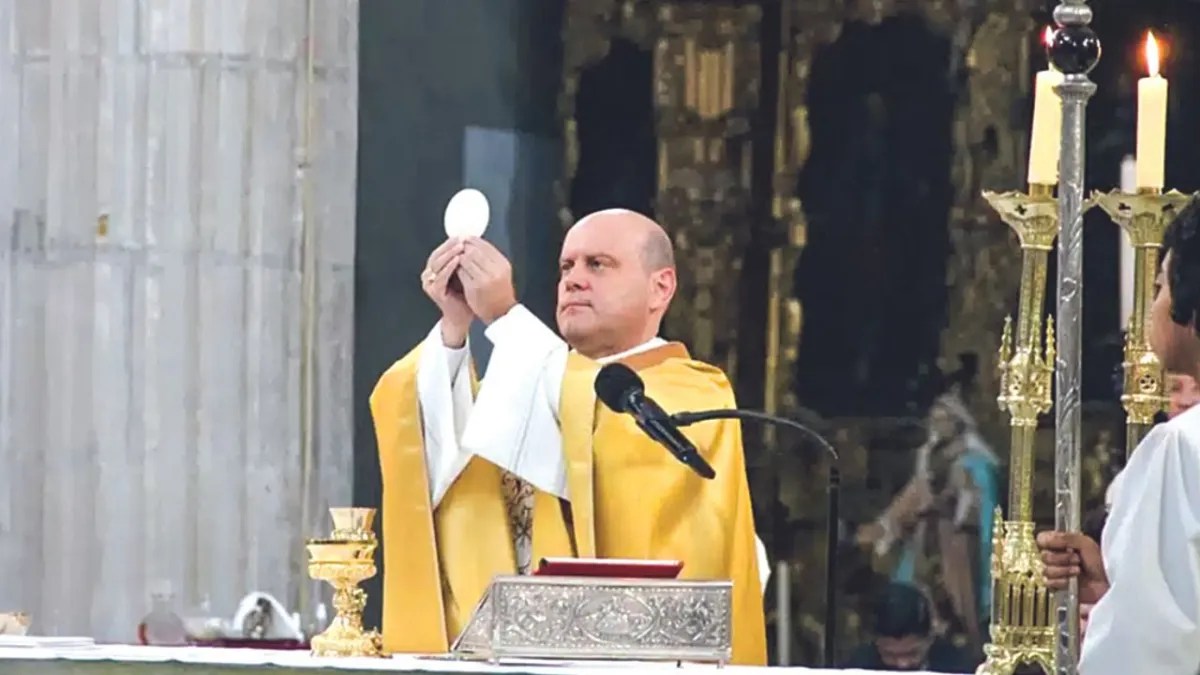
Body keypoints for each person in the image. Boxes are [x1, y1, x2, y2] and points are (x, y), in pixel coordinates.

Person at [369, 209, 767, 664]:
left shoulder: (692, 394)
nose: (574, 280)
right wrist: (454, 332)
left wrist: (504, 316)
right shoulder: (523, 391)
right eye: (566, 267)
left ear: (661, 287)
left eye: (598, 264)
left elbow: (597, 431)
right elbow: (434, 454)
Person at [1039, 198, 1200, 672]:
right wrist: (1120, 591)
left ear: (1191, 309)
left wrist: (1125, 615)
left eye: (1160, 288)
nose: (1153, 307)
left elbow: (1153, 655)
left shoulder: (1183, 448)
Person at [857, 389, 999, 649]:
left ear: (957, 422)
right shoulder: (929, 456)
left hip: (956, 541)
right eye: (936, 420)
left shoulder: (973, 461)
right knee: (918, 586)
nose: (940, 426)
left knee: (958, 595)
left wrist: (956, 502)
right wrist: (886, 525)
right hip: (927, 535)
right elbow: (914, 494)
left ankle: (965, 643)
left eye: (945, 420)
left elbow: (977, 501)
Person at [843, 582, 978, 672]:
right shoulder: (859, 668)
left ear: (930, 639)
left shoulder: (956, 667)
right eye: (890, 655)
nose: (902, 664)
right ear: (876, 643)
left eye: (912, 653)